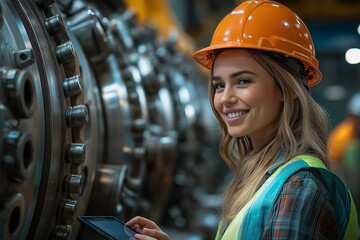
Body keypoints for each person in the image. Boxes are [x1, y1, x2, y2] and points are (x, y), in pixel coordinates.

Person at [126, 0, 358, 239]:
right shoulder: (261, 179)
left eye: (243, 81)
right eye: (218, 85)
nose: (225, 98)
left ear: (287, 88)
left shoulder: (299, 188)